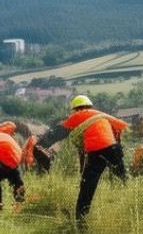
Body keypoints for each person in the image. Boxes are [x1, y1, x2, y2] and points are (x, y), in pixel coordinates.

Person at [35, 95, 129, 224]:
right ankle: (132, 206)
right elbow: (121, 129)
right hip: (113, 149)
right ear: (90, 106)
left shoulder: (79, 115)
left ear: (77, 109)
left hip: (96, 152)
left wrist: (41, 145)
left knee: (87, 188)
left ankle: (81, 222)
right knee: (123, 179)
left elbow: (58, 132)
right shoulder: (103, 115)